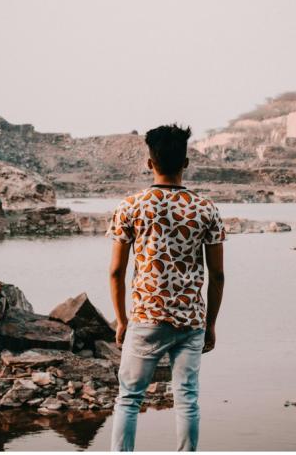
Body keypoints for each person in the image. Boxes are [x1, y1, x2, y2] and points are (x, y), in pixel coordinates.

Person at [107, 124, 226, 452]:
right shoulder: (206, 210)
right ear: (185, 164)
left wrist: (121, 320)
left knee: (129, 399)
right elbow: (217, 276)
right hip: (190, 321)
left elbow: (117, 271)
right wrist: (210, 324)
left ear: (150, 163)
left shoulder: (130, 207)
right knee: (187, 400)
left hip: (145, 317)